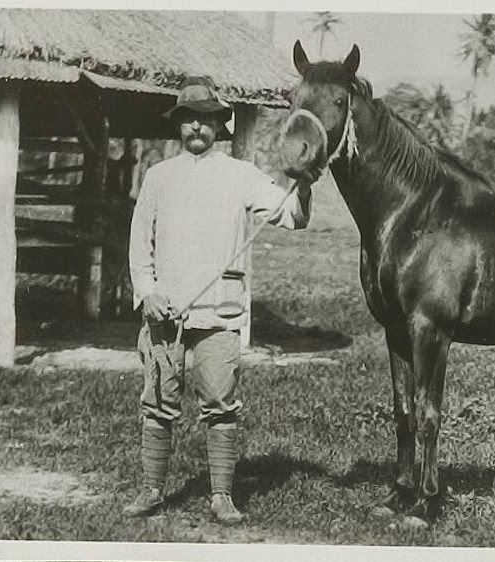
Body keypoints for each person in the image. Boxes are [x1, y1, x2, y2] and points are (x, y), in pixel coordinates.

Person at [124, 76, 314, 524]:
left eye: (206, 121)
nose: (196, 129)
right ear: (179, 126)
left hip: (219, 312)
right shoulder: (158, 177)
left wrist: (303, 183)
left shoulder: (240, 174)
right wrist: (148, 293)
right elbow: (139, 245)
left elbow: (292, 216)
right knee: (157, 402)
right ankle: (152, 489)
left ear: (218, 126)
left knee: (221, 405)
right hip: (165, 311)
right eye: (189, 120)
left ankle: (222, 495)